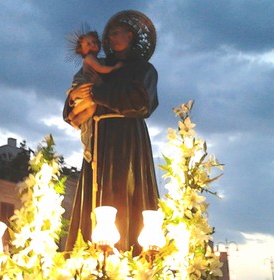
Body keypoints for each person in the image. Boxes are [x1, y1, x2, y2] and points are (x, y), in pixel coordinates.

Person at [63, 10, 159, 255]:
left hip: (127, 141)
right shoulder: (97, 68)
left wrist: (98, 94)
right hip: (98, 140)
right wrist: (79, 99)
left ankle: (130, 252)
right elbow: (69, 110)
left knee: (125, 190)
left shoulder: (143, 69)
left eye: (115, 32)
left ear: (129, 34)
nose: (110, 39)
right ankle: (89, 254)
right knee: (95, 193)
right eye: (108, 35)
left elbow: (140, 102)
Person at [68, 29, 123, 162]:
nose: (93, 45)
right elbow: (100, 69)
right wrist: (73, 95)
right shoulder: (92, 60)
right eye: (88, 44)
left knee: (91, 106)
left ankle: (75, 118)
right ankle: (73, 116)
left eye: (94, 42)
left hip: (115, 127)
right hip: (88, 93)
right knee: (91, 102)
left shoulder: (103, 60)